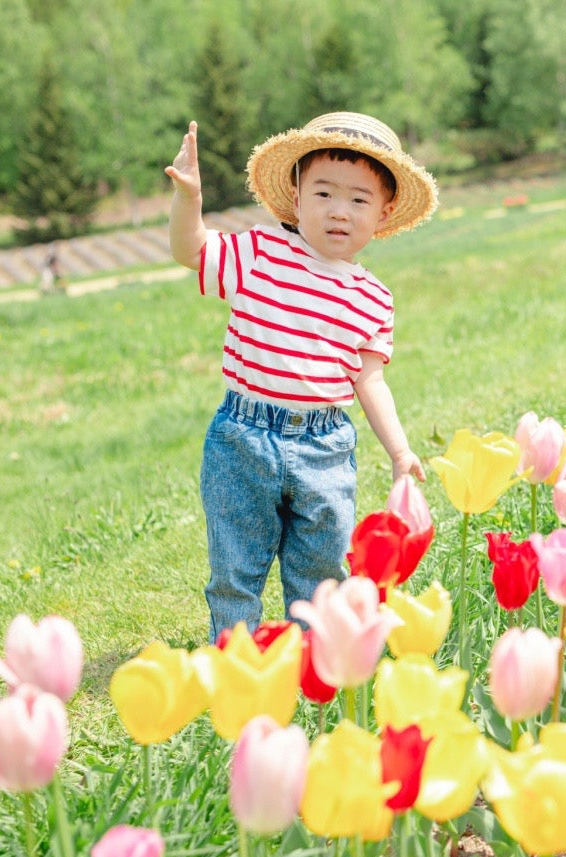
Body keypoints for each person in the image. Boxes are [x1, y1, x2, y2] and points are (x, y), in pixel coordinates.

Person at [164, 112, 437, 641]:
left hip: (325, 446)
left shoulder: (373, 298)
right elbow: (190, 250)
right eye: (323, 193)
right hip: (242, 438)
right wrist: (189, 200)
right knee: (235, 569)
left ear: (383, 214)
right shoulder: (260, 254)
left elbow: (370, 380)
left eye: (359, 200)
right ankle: (238, 666)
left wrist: (400, 452)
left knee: (322, 572)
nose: (340, 211)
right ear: (295, 196)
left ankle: (314, 666)